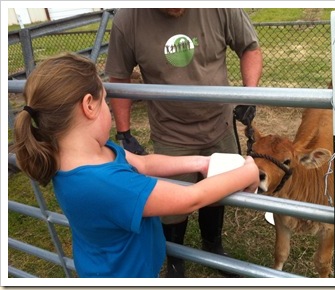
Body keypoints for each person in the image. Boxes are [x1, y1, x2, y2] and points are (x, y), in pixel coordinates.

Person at [11, 53, 259, 278]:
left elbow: (143, 162)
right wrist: (248, 171)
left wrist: (201, 162)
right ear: (88, 105)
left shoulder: (91, 152)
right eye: (106, 101)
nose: (109, 108)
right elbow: (191, 197)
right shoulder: (106, 184)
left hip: (108, 265)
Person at [105, 8, 263, 277]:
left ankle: (212, 245)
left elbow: (249, 47)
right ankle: (175, 257)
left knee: (218, 189)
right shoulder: (128, 19)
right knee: (172, 201)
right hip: (171, 131)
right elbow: (119, 76)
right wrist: (124, 132)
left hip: (219, 123)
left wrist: (249, 94)